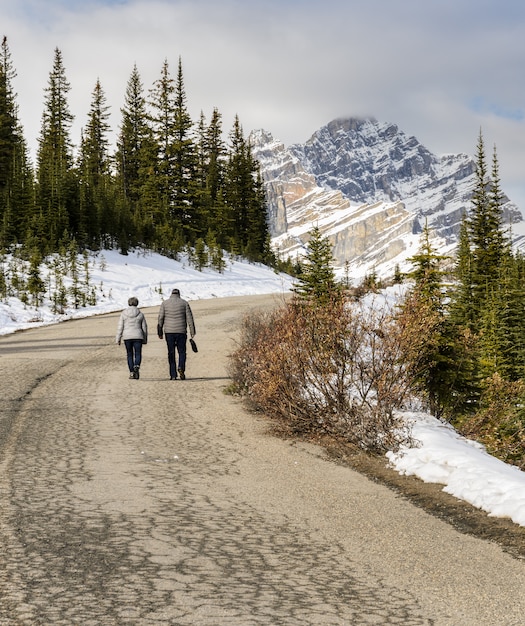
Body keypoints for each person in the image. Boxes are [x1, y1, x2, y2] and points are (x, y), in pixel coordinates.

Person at [157, 288, 196, 380]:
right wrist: (192, 331)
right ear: (179, 294)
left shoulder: (165, 303)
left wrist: (159, 331)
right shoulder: (184, 303)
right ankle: (181, 367)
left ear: (171, 294)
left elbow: (160, 318)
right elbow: (190, 318)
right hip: (181, 332)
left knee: (171, 352)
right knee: (182, 352)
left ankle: (173, 374)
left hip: (169, 332)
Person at [116, 296, 148, 379]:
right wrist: (144, 339)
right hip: (138, 336)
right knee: (138, 353)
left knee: (129, 354)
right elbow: (144, 327)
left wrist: (118, 338)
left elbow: (120, 327)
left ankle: (131, 372)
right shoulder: (140, 314)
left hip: (127, 337)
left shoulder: (123, 313)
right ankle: (136, 365)